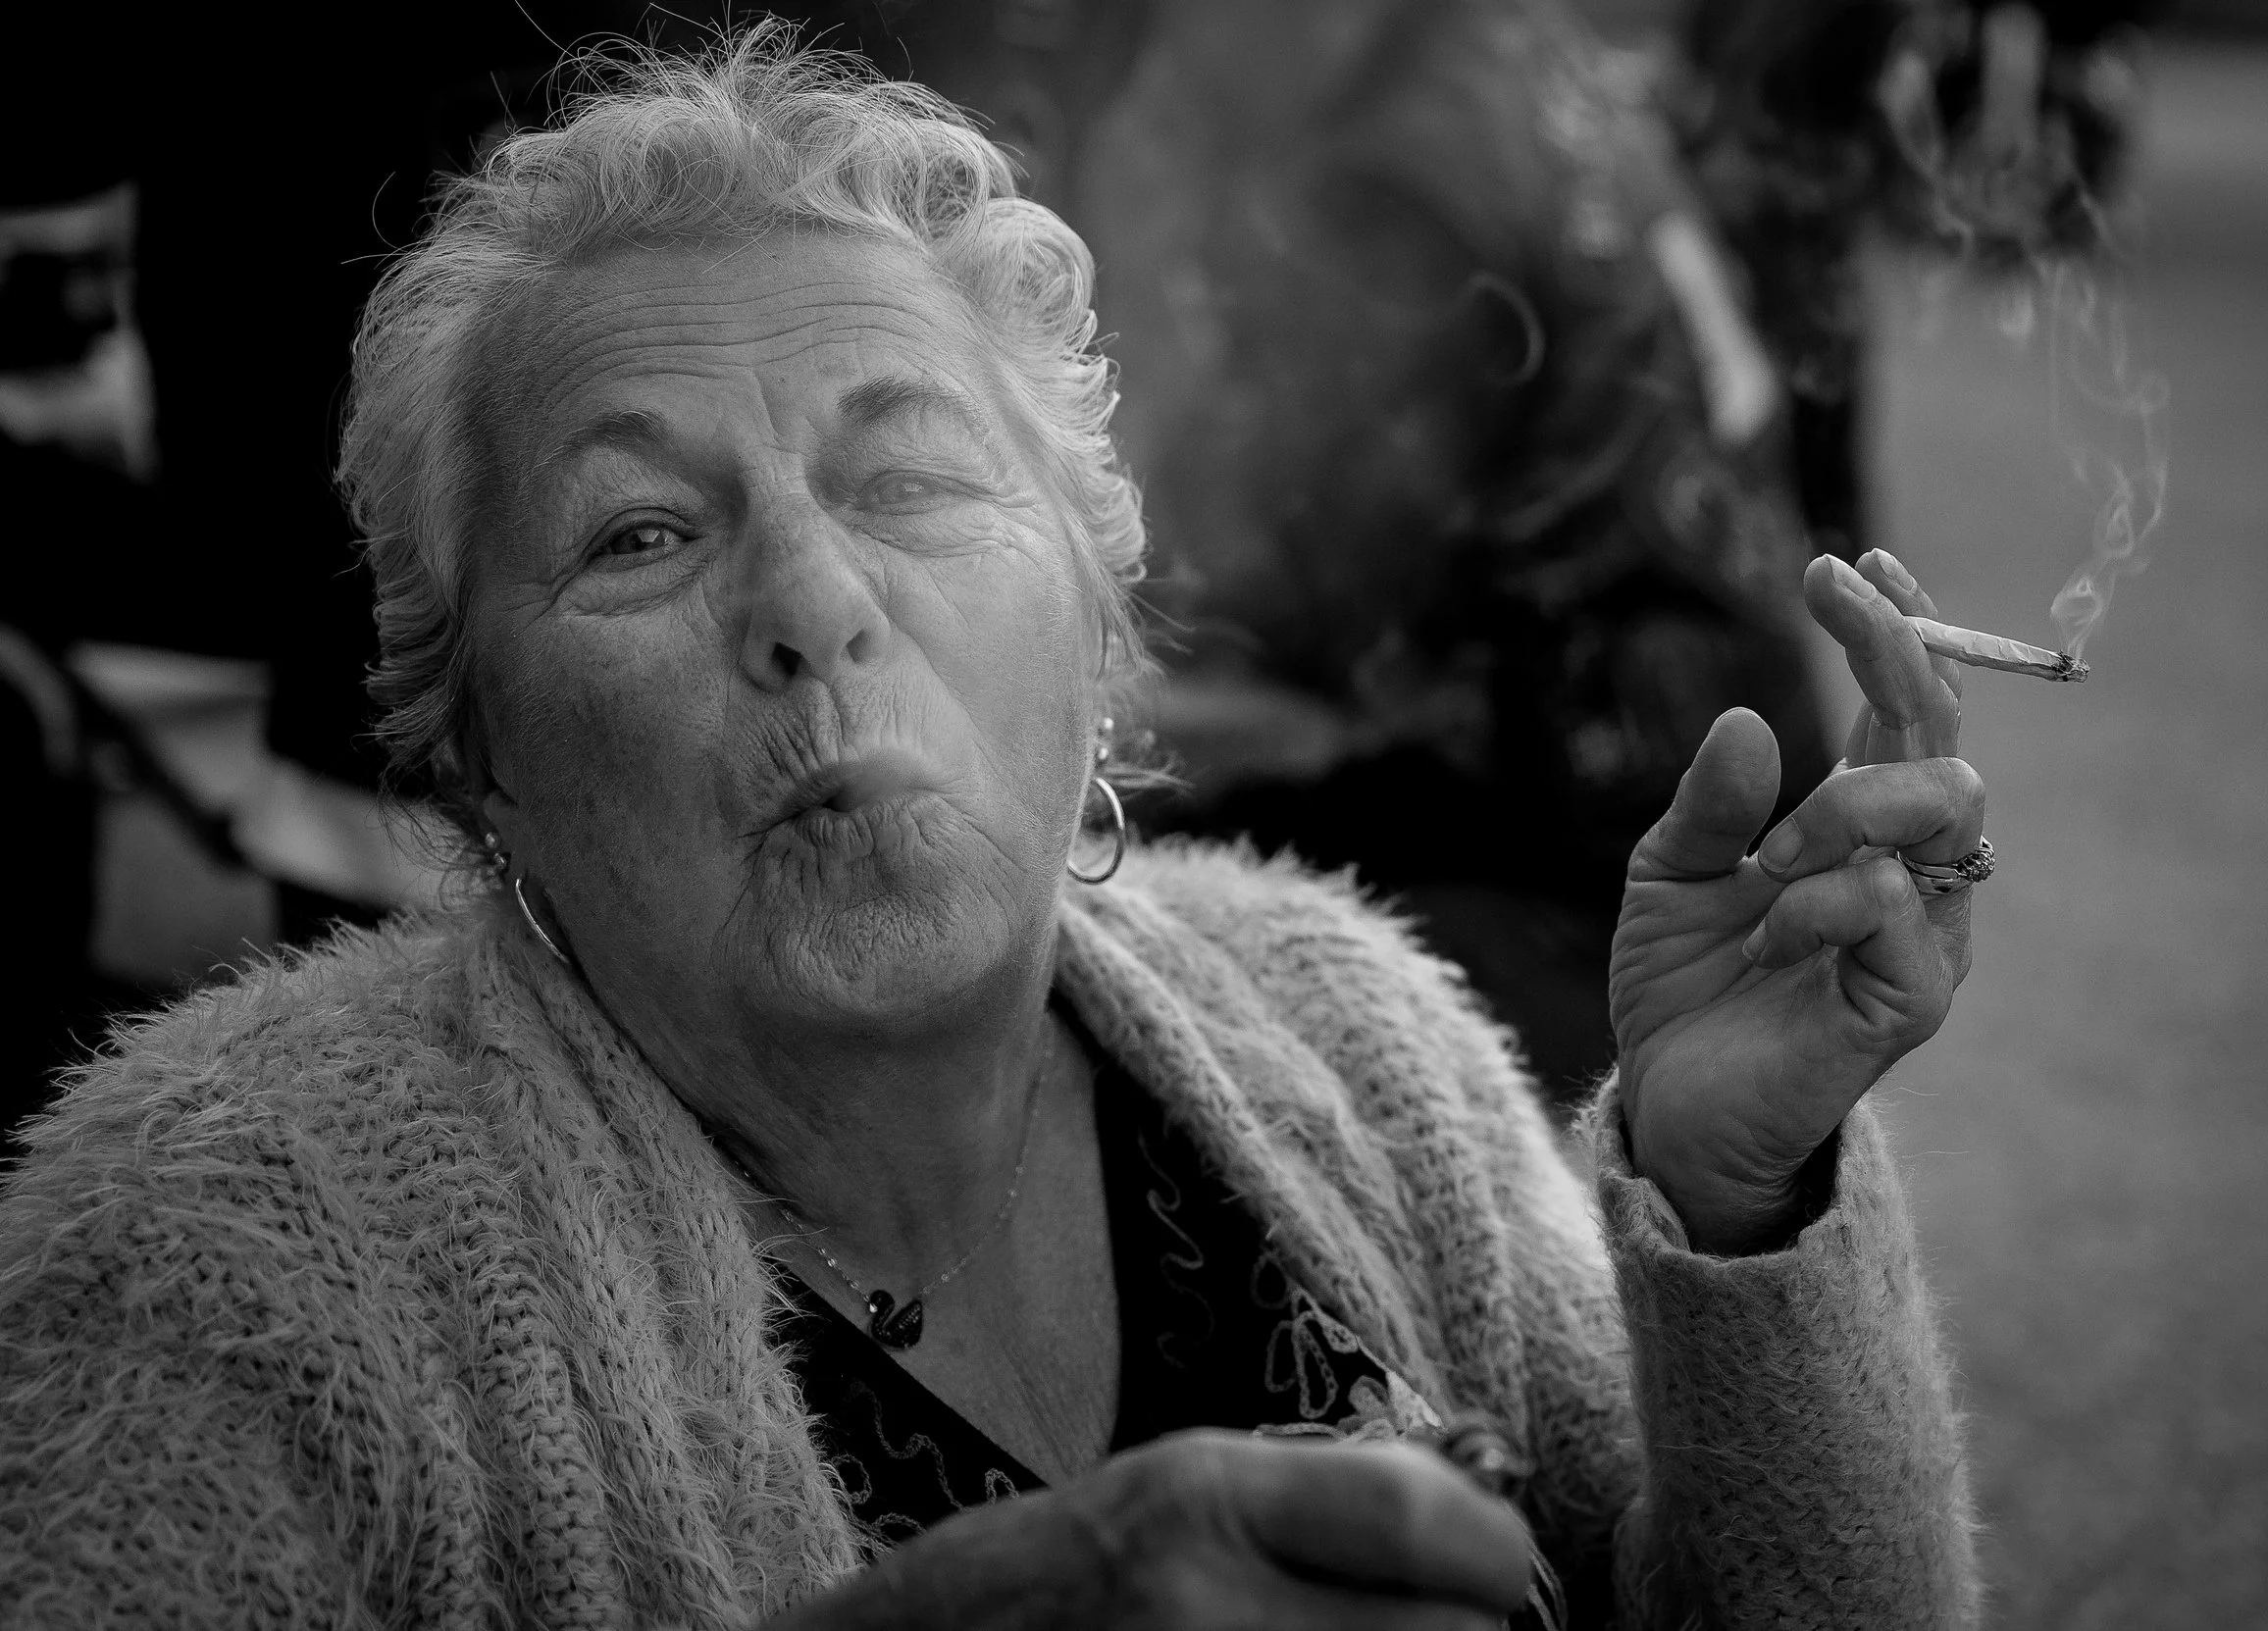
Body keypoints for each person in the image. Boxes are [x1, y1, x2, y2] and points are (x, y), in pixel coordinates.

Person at [0, 33, 1990, 1629]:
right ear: (472, 750)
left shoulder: (1359, 1042)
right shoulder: (216, 1269)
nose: (810, 599)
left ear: (1101, 640)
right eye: (638, 533)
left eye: (908, 477)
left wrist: (1740, 1200)